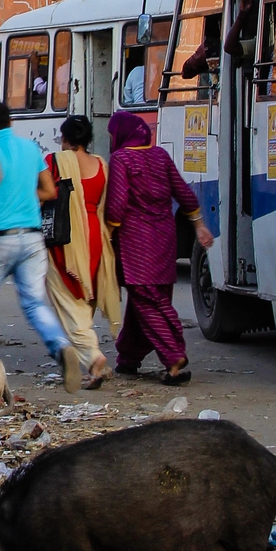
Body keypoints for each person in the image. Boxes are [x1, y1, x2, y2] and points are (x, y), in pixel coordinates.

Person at [0, 101, 81, 389]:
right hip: (32, 238)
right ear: (11, 122)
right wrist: (25, 199)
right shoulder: (30, 148)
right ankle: (61, 345)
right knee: (35, 302)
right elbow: (49, 190)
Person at [104, 108, 214, 384]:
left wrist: (105, 235)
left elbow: (116, 207)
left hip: (136, 242)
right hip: (165, 238)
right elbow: (184, 193)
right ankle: (128, 357)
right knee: (146, 299)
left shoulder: (121, 159)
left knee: (149, 300)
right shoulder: (160, 155)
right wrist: (200, 225)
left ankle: (174, 357)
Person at [42, 114, 120, 389]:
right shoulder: (101, 165)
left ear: (64, 138)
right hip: (95, 237)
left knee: (67, 298)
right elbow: (107, 205)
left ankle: (93, 358)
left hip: (66, 237)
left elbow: (43, 194)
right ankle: (89, 351)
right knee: (84, 295)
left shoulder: (55, 161)